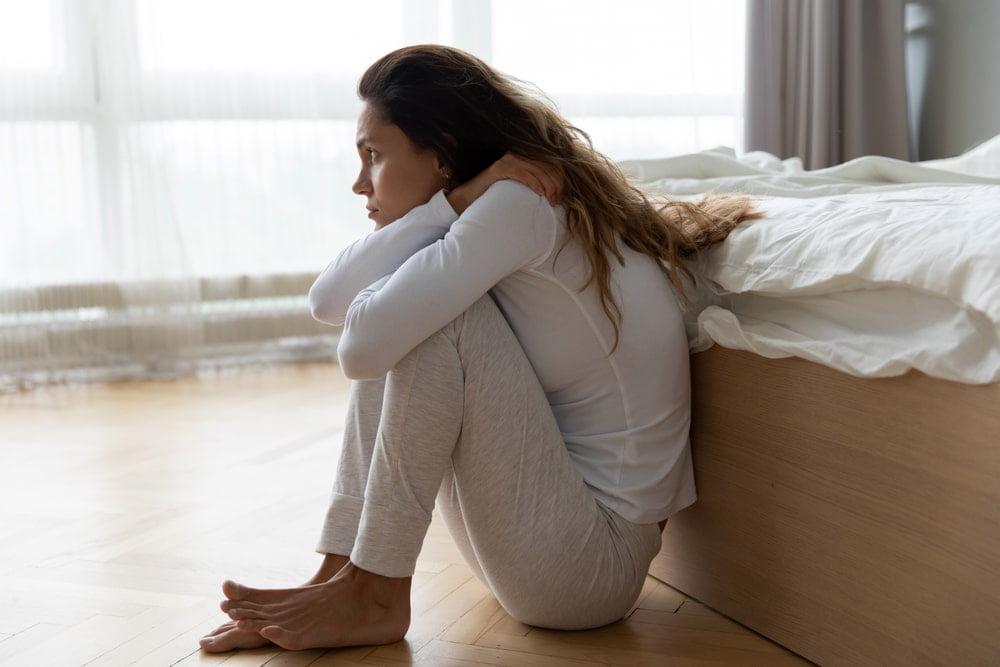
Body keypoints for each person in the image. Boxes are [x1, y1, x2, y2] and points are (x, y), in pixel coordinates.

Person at [200, 44, 763, 654]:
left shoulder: (521, 204)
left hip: (588, 566)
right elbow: (329, 300)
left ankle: (373, 590)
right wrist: (449, 204)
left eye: (374, 155)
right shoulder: (493, 203)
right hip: (548, 541)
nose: (360, 182)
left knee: (430, 317)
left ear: (440, 152)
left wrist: (452, 207)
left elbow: (359, 347)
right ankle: (342, 575)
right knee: (411, 304)